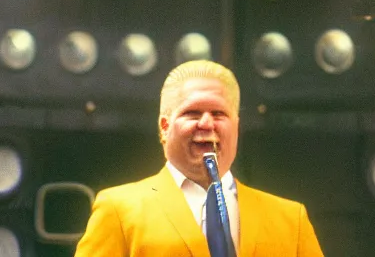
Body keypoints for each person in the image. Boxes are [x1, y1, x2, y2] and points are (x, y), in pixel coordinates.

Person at [74, 60, 324, 257]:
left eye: (218, 113)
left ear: (236, 127)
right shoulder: (119, 210)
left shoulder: (291, 219)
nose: (206, 123)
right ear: (164, 127)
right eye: (192, 113)